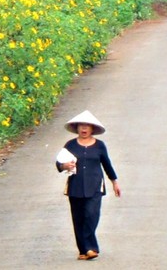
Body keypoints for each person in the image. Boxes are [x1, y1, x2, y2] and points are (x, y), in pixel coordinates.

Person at [56, 110, 121, 260]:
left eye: (87, 126)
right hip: (75, 186)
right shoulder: (70, 145)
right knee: (78, 218)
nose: (84, 129)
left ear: (92, 129)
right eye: (81, 126)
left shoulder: (99, 146)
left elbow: (107, 165)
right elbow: (59, 163)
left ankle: (91, 247)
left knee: (91, 215)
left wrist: (114, 182)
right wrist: (64, 166)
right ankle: (83, 251)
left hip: (95, 186)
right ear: (77, 128)